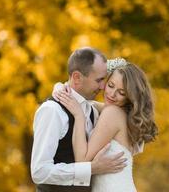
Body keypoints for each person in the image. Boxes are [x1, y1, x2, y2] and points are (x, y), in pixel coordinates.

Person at [30, 47, 127, 192]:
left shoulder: (93, 110)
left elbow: (128, 71)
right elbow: (39, 172)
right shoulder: (52, 111)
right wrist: (91, 169)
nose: (103, 86)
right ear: (77, 77)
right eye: (99, 80)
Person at [55, 59, 158, 192]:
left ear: (130, 97)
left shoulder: (112, 113)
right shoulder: (125, 116)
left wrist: (79, 116)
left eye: (121, 93)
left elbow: (82, 160)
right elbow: (88, 104)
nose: (112, 94)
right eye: (110, 85)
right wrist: (60, 88)